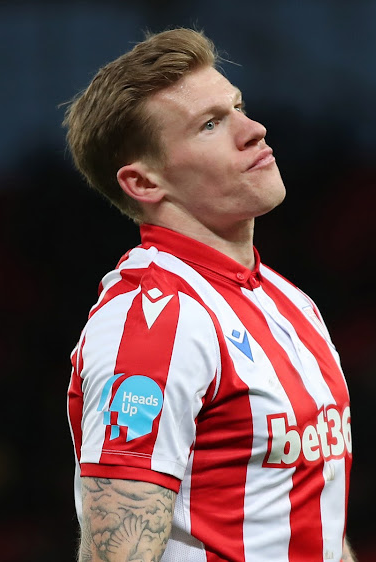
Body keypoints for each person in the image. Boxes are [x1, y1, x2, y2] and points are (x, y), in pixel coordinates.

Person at [64, 28, 356, 562]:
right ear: (146, 183)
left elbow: (315, 525)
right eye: (211, 125)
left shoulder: (290, 301)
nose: (254, 130)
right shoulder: (154, 324)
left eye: (238, 107)